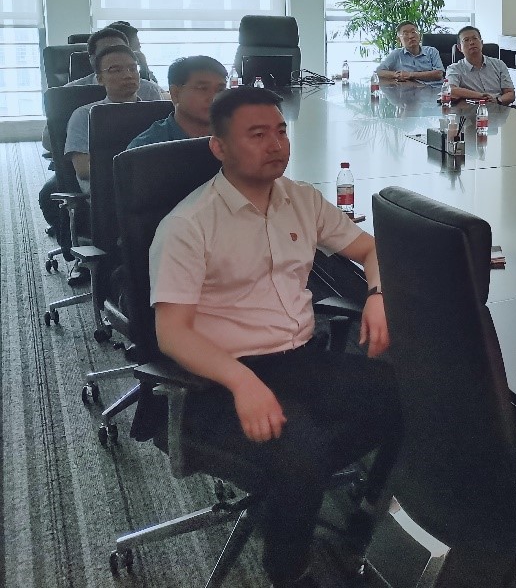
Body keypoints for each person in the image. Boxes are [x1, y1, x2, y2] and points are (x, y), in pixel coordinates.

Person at [150, 87, 401, 586]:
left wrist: (377, 295)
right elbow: (171, 334)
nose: (276, 144)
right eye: (257, 134)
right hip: (219, 379)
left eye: (281, 131)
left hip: (299, 359)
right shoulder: (187, 225)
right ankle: (289, 569)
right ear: (219, 147)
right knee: (300, 454)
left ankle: (358, 509)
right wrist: (242, 383)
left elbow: (372, 249)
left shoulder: (301, 199)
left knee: (403, 395)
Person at [65, 44, 158, 191]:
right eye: (116, 70)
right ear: (100, 79)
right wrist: (136, 171)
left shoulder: (156, 111)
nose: (128, 75)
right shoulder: (84, 115)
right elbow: (83, 169)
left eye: (133, 68)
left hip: (153, 187)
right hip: (108, 191)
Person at [128, 56, 228, 148]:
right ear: (175, 94)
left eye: (220, 90)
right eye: (202, 88)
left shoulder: (232, 138)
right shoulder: (145, 148)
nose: (214, 98)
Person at [68, 27, 165, 98]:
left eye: (121, 50)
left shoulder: (149, 90)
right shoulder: (70, 93)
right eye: (107, 52)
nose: (116, 56)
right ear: (92, 60)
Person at [444, 26, 515, 106]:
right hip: (471, 110)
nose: (471, 42)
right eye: (466, 40)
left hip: (498, 107)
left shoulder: (499, 64)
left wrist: (497, 100)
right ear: (460, 48)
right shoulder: (454, 69)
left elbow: (510, 93)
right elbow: (451, 90)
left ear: (481, 43)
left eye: (475, 38)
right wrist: (481, 96)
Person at [376, 21, 445, 82]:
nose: (411, 36)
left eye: (413, 32)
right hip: (409, 90)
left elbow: (439, 74)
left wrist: (410, 75)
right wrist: (396, 75)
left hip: (433, 89)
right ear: (399, 40)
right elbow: (379, 71)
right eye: (405, 34)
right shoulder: (396, 54)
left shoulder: (431, 51)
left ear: (420, 35)